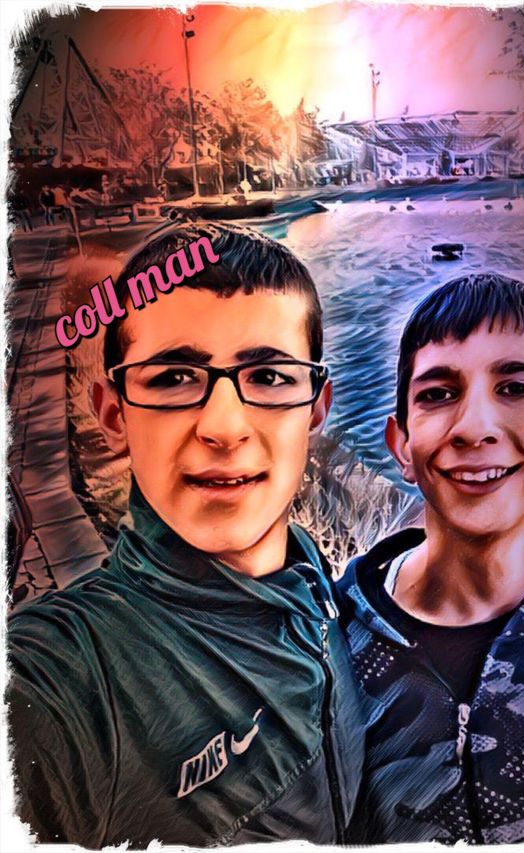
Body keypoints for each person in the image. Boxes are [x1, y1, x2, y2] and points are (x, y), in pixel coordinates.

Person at [8, 223, 365, 848]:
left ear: (316, 408)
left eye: (269, 377)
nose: (224, 427)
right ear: (114, 413)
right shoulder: (67, 675)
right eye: (173, 378)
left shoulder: (321, 589)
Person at [337, 273, 524, 845]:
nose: (474, 428)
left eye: (516, 388)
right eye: (437, 394)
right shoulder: (328, 643)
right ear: (401, 447)